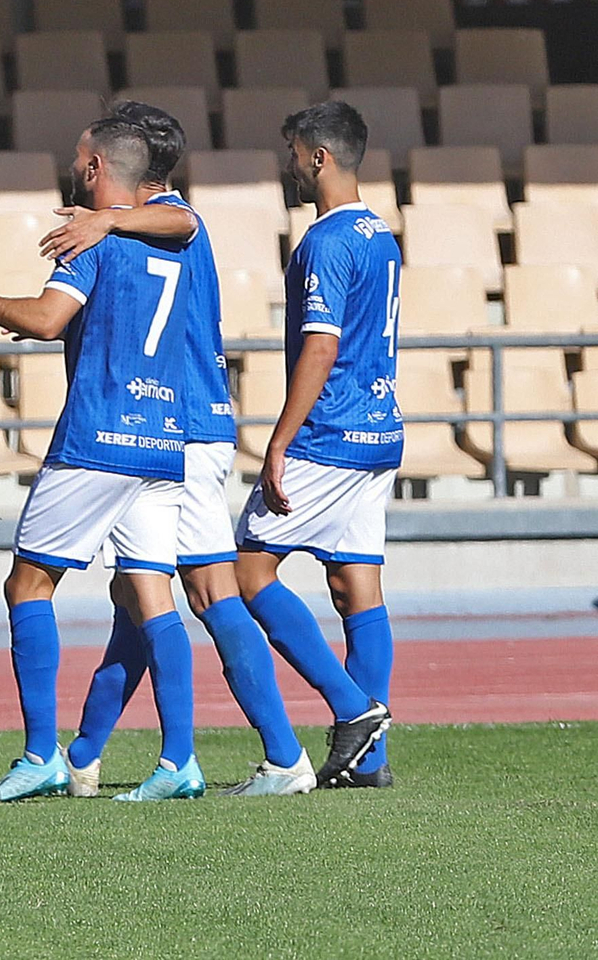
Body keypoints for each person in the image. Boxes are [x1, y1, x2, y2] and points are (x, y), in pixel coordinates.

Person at [0, 116, 204, 803]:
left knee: (28, 585)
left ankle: (41, 755)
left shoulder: (93, 240)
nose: (73, 167)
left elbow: (45, 318)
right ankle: (179, 761)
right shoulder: (174, 240)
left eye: (79, 158)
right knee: (153, 595)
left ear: (97, 168)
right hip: (162, 437)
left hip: (97, 438)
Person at [38, 102, 314, 796]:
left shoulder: (166, 217)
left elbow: (182, 220)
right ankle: (86, 752)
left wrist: (106, 219)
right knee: (142, 595)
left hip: (176, 426)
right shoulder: (154, 223)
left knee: (191, 591)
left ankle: (278, 756)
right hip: (193, 424)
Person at [234, 101, 398, 788]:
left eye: (294, 154)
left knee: (246, 571)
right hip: (380, 430)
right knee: (355, 584)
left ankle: (353, 710)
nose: (291, 166)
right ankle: (370, 764)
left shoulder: (325, 241)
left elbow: (322, 345)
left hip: (329, 433)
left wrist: (279, 441)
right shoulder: (380, 233)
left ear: (319, 157)